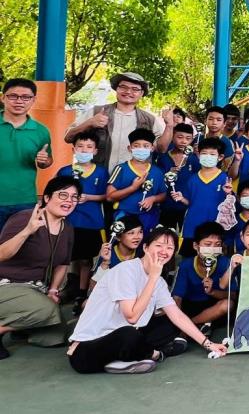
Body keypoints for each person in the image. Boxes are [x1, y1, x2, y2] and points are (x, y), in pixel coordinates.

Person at [67, 226, 227, 374]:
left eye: (170, 248)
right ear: (145, 247)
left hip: (122, 339)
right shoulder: (126, 271)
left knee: (170, 323)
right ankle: (155, 354)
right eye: (159, 246)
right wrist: (153, 278)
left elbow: (176, 315)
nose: (164, 251)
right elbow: (131, 317)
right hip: (85, 352)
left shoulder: (159, 281)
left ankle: (124, 361)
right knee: (129, 334)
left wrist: (209, 344)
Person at [0, 176, 79, 359]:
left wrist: (53, 290)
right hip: (7, 284)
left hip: (36, 288)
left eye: (74, 197)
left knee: (55, 335)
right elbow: (2, 254)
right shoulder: (25, 218)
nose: (68, 201)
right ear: (47, 198)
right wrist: (28, 230)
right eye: (63, 195)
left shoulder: (67, 228)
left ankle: (22, 325)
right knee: (46, 310)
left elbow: (62, 264)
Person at [65, 72, 172, 171]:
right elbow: (68, 137)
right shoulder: (96, 112)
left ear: (141, 93)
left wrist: (169, 125)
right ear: (116, 89)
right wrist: (90, 123)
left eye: (135, 89)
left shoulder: (149, 120)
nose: (128, 92)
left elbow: (161, 149)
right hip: (99, 177)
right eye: (123, 87)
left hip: (134, 179)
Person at [57, 132, 108, 312]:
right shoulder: (65, 171)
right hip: (67, 222)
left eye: (88, 147)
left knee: (86, 260)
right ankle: (58, 289)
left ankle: (82, 292)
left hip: (91, 223)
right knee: (65, 257)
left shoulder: (101, 172)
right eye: (80, 147)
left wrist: (89, 197)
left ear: (95, 151)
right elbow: (56, 194)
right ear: (73, 149)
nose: (84, 150)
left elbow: (106, 195)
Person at [0, 78, 53, 230]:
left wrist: (44, 160)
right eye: (13, 96)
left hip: (24, 200)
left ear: (33, 100)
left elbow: (48, 161)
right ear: (3, 97)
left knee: (21, 247)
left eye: (26, 97)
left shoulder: (41, 130)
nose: (19, 101)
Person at [170, 137, 230, 254]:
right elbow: (190, 202)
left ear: (220, 157)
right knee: (190, 258)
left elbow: (229, 206)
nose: (208, 156)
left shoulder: (225, 179)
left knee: (213, 261)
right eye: (204, 153)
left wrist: (229, 194)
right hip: (193, 226)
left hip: (215, 228)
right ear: (198, 154)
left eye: (212, 154)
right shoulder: (192, 179)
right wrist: (182, 199)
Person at [171, 222, 231, 331]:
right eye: (207, 244)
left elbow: (233, 296)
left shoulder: (226, 263)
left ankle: (191, 325)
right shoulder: (185, 265)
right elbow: (177, 298)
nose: (212, 249)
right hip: (190, 307)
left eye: (217, 245)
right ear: (195, 246)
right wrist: (178, 319)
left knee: (228, 304)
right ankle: (197, 325)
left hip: (214, 308)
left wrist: (212, 292)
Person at [105, 128, 167, 234]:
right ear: (130, 148)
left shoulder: (157, 171)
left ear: (152, 148)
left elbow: (163, 195)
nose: (141, 149)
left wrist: (153, 198)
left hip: (149, 217)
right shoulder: (120, 169)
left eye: (146, 146)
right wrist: (132, 188)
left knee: (146, 246)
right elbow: (109, 197)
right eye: (136, 146)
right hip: (125, 216)